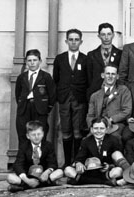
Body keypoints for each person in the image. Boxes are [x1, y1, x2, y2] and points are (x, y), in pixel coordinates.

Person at [54, 28, 93, 165]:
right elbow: (56, 79)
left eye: (76, 39)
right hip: (64, 99)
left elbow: (89, 80)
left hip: (79, 99)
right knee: (66, 131)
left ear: (81, 41)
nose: (73, 42)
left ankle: (76, 161)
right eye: (71, 39)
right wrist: (59, 96)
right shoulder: (60, 59)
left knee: (78, 131)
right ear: (66, 41)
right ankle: (66, 162)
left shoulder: (85, 59)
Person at [64, 118, 127, 186]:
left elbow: (116, 160)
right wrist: (78, 163)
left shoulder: (113, 140)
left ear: (106, 129)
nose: (98, 131)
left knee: (118, 171)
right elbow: (79, 157)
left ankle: (82, 181)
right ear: (91, 129)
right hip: (89, 172)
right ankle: (105, 182)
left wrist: (109, 166)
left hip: (105, 173)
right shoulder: (86, 141)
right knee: (68, 170)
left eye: (101, 128)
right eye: (96, 128)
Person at [8, 121, 63, 193]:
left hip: (43, 177)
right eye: (33, 135)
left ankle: (25, 187)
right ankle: (30, 184)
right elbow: (18, 165)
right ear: (28, 136)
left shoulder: (48, 146)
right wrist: (27, 180)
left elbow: (53, 163)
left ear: (43, 134)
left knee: (60, 172)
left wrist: (46, 172)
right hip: (28, 176)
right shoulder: (24, 147)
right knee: (10, 177)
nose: (36, 137)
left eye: (39, 134)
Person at [15, 49, 55, 147]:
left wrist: (47, 108)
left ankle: (39, 161)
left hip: (40, 109)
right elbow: (18, 94)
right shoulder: (21, 77)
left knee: (40, 135)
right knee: (23, 135)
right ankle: (25, 160)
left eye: (35, 60)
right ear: (26, 62)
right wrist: (22, 104)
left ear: (40, 61)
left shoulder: (46, 76)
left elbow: (52, 95)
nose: (32, 63)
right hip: (24, 108)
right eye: (29, 60)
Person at [86, 65, 133, 143]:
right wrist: (92, 126)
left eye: (113, 74)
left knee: (112, 139)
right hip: (98, 126)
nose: (110, 76)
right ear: (103, 75)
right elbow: (90, 115)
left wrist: (111, 119)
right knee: (88, 140)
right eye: (108, 73)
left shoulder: (123, 91)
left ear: (117, 76)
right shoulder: (95, 95)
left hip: (116, 125)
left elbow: (127, 111)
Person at [87, 23, 122, 96]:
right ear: (99, 36)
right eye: (103, 34)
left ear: (113, 35)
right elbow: (89, 77)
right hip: (96, 93)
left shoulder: (120, 54)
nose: (106, 37)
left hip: (115, 94)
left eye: (109, 34)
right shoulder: (91, 55)